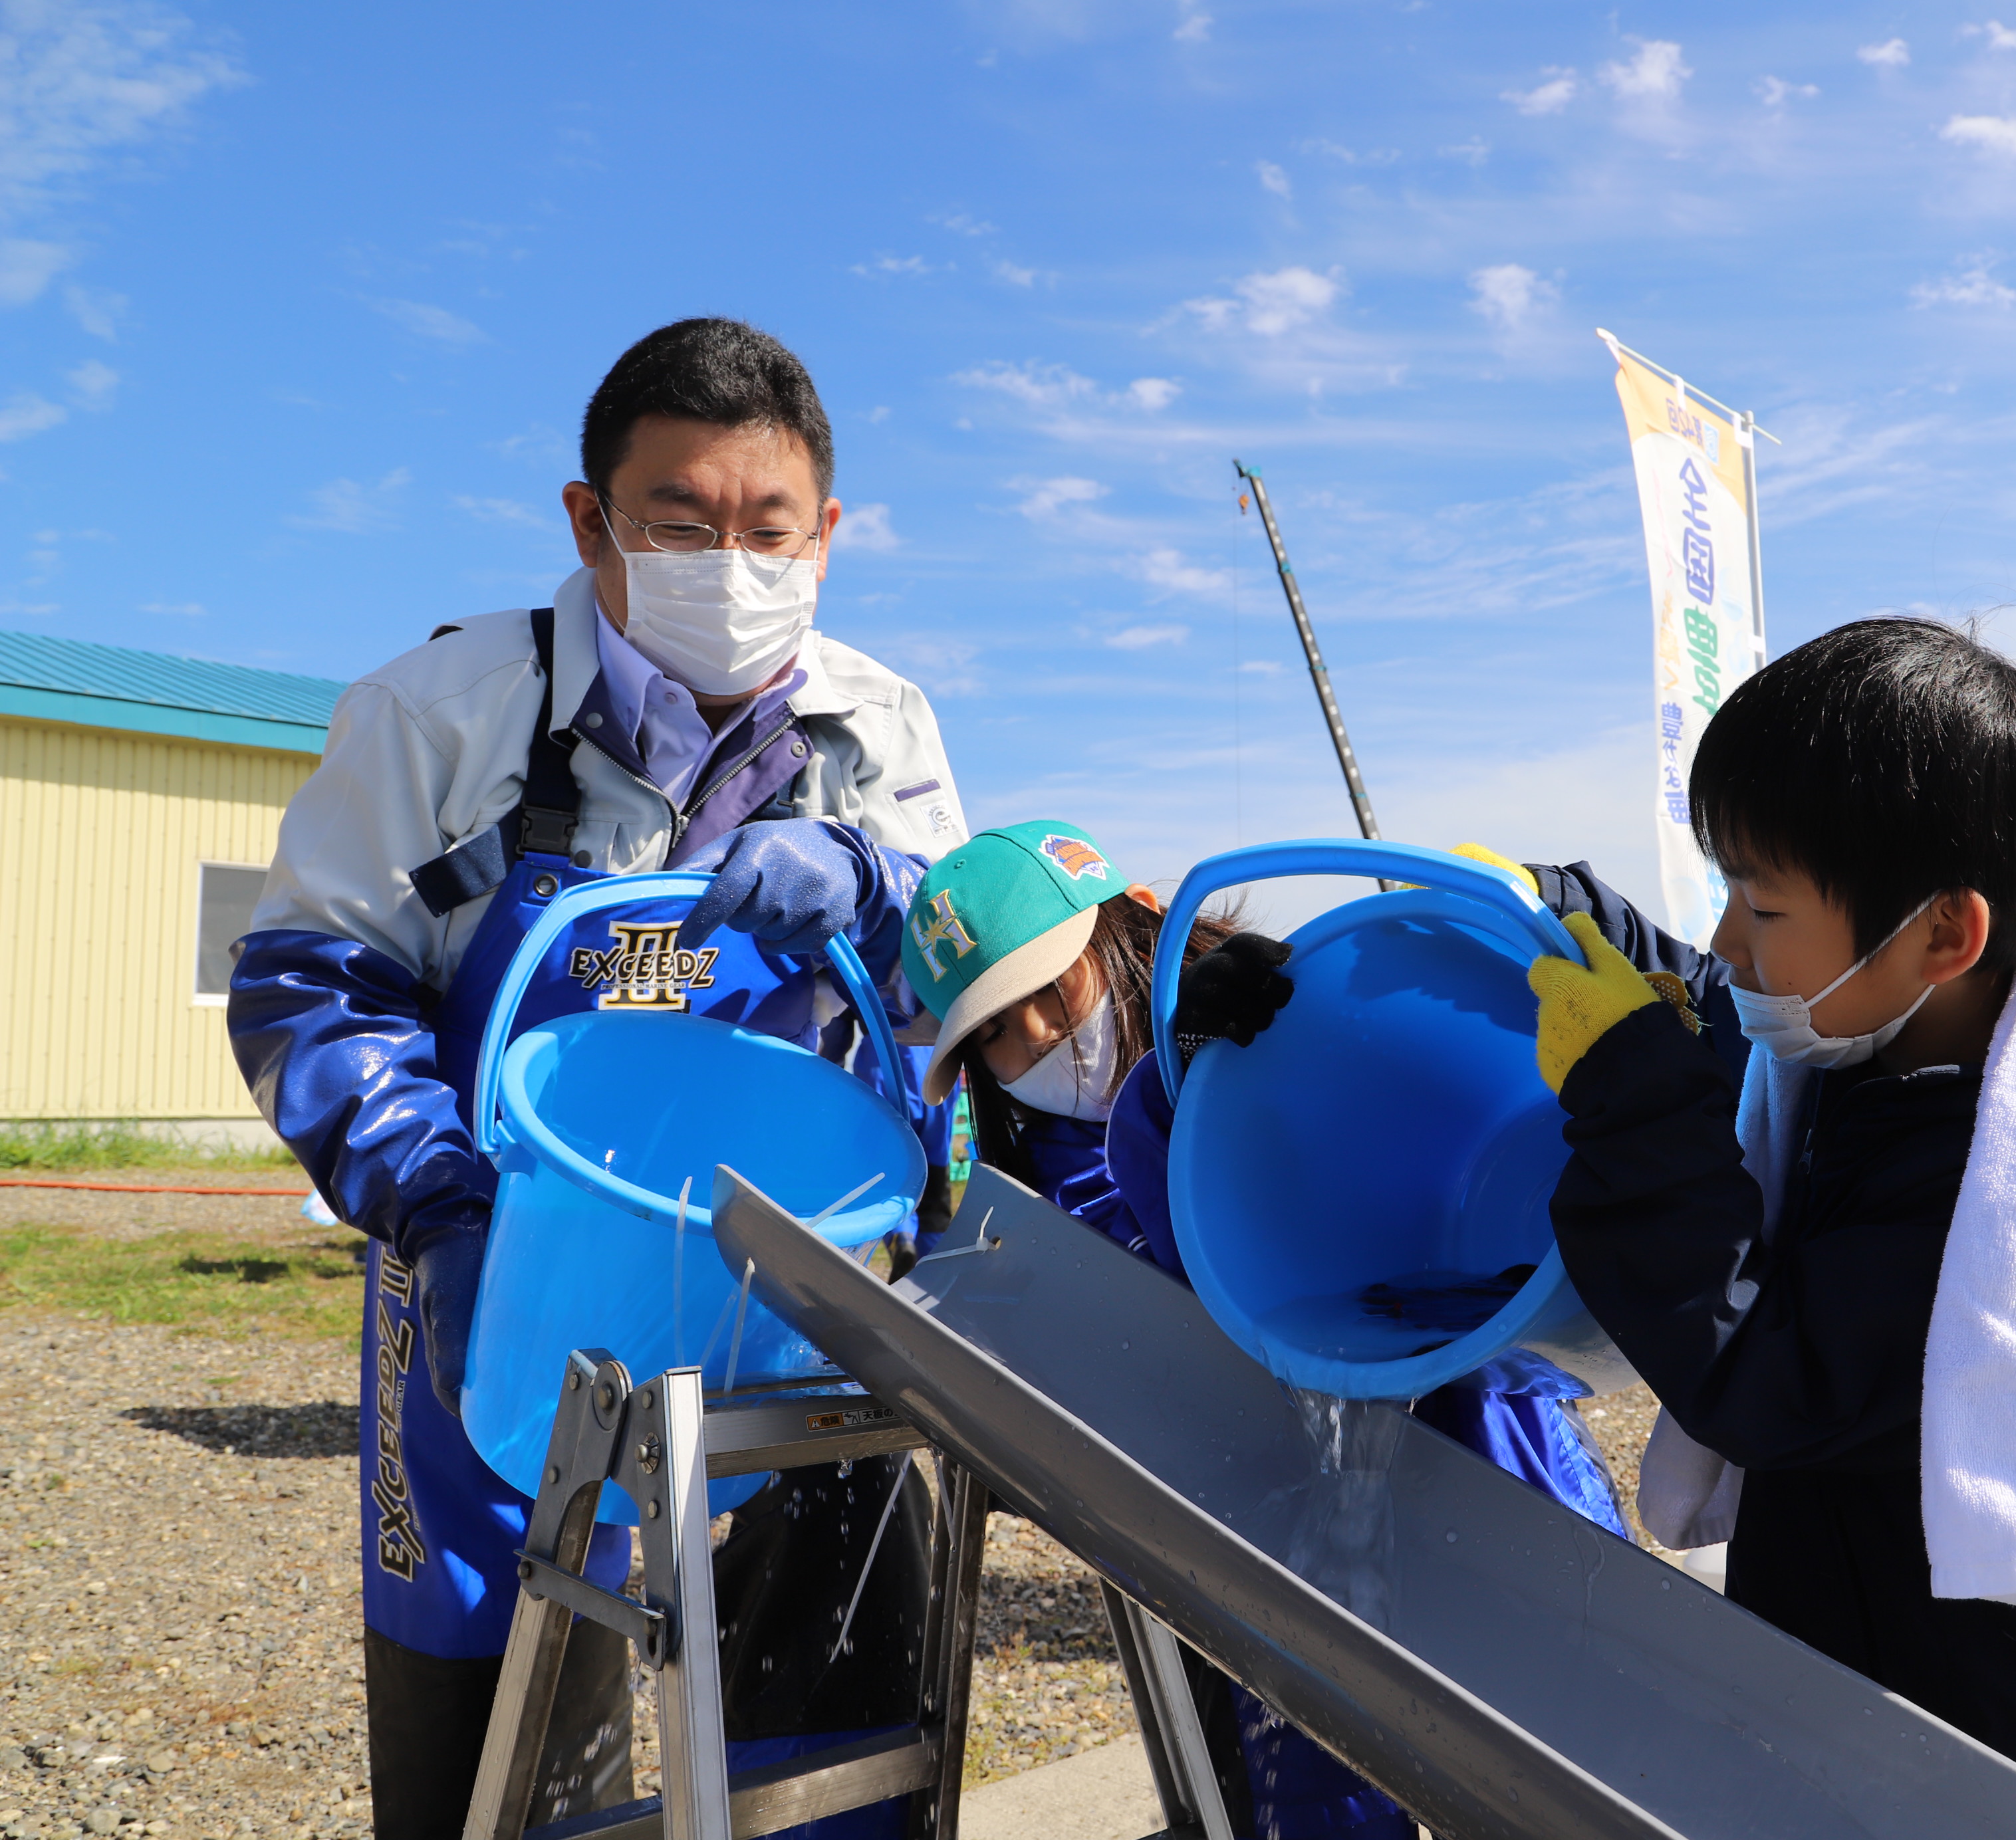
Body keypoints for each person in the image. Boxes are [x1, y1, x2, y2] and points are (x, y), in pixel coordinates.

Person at [227, 319, 968, 1840]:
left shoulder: (879, 726)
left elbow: (964, 983)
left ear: (826, 533)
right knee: (486, 1661)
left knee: (832, 1663)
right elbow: (312, 978)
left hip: (788, 1263)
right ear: (590, 520)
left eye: (770, 532)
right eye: (680, 526)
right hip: (501, 1252)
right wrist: (436, 1212)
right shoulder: (443, 713)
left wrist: (882, 885)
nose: (732, 566)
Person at [1514, 618, 2016, 1840]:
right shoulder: (1904, 1045)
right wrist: (1585, 928)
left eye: (1759, 903)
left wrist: (1632, 1101)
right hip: (1879, 1675)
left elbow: (1763, 1375)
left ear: (1944, 932)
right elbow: (1745, 995)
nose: (1729, 944)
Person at [898, 820, 1629, 1840]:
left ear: (1130, 930)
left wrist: (1210, 1081)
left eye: (1051, 994)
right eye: (991, 1035)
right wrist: (1167, 1109)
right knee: (1332, 1798)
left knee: (1583, 1758)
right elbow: (1148, 1324)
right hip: (1273, 1562)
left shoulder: (1271, 1018)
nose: (1034, 1042)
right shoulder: (1030, 1209)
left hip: (1491, 1455)